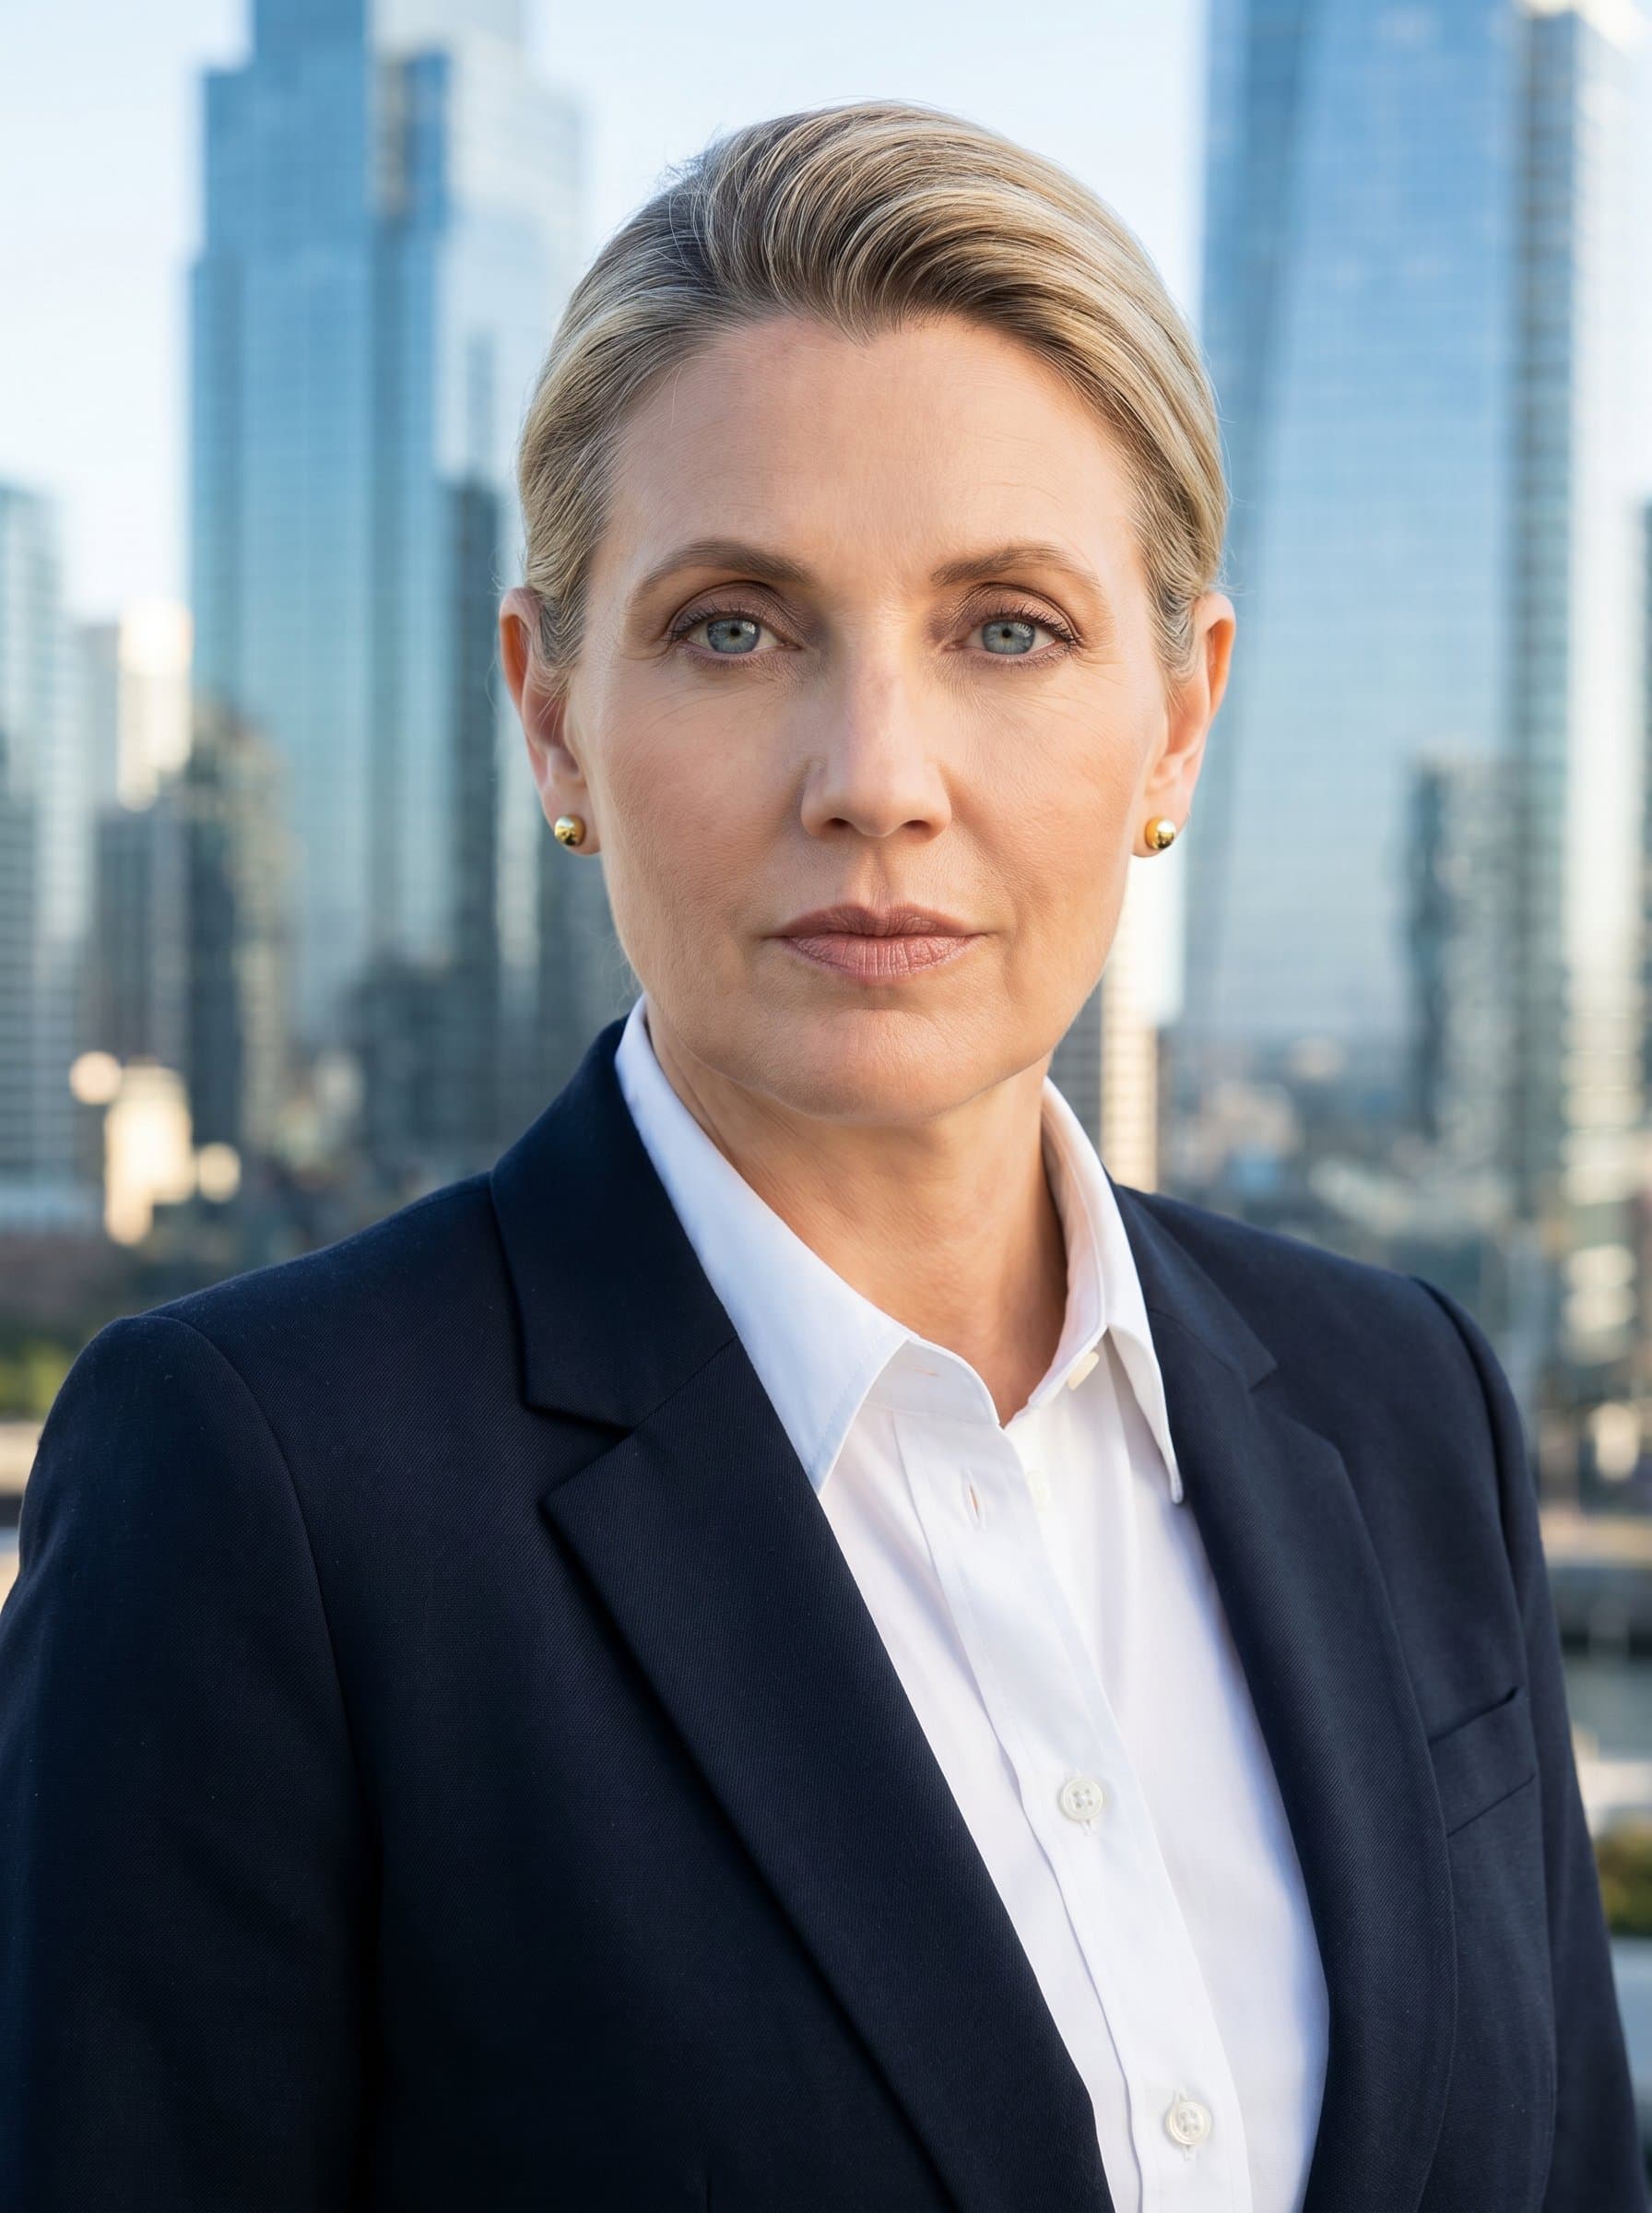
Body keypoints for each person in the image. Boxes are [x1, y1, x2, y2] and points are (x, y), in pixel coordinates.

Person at [0, 96, 1641, 2213]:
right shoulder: (263, 1495)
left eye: (1006, 626)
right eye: (733, 626)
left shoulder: (1403, 1400)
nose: (875, 779)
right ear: (548, 710)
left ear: (1177, 715)